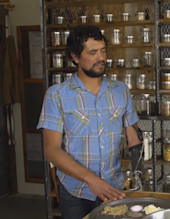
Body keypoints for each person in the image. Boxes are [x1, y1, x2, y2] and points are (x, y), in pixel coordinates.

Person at [37, 25, 143, 218]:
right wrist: (91, 179)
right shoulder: (57, 95)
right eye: (92, 52)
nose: (101, 58)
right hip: (75, 190)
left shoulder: (121, 91)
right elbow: (51, 149)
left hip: (113, 187)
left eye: (103, 51)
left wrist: (139, 177)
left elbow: (133, 138)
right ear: (75, 57)